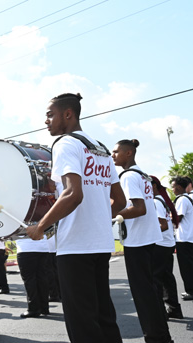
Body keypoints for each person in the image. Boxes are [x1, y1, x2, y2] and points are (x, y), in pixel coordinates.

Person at [26, 93, 126, 343]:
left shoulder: (65, 144)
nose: (46, 121)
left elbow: (73, 194)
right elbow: (120, 201)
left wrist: (41, 226)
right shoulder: (101, 148)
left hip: (76, 246)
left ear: (67, 114)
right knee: (104, 316)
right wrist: (98, 217)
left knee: (82, 323)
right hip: (101, 243)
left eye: (50, 115)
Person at [112, 139, 172, 343]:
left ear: (128, 153)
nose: (113, 156)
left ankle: (155, 337)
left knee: (144, 295)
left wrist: (114, 215)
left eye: (116, 152)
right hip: (148, 238)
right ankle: (162, 335)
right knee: (152, 292)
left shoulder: (128, 176)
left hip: (137, 241)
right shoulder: (143, 175)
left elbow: (139, 208)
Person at [149, 176, 183, 320]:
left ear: (154, 186)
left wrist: (146, 231)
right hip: (167, 244)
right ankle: (174, 308)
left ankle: (161, 312)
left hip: (160, 245)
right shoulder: (161, 200)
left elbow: (163, 225)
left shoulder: (155, 202)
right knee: (166, 278)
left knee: (156, 280)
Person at [170, 177, 193, 300]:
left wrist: (167, 218)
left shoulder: (182, 200)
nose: (172, 189)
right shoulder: (186, 199)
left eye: (173, 186)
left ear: (179, 187)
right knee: (191, 267)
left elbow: (177, 218)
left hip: (185, 238)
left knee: (187, 268)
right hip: (190, 237)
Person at [16, 236, 51, 318]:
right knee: (42, 278)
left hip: (26, 248)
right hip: (43, 247)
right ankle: (44, 307)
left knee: (30, 280)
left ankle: (33, 309)